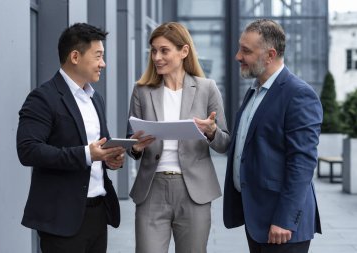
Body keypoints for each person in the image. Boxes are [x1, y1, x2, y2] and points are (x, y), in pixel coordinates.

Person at [17, 23, 125, 253]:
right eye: (98, 56)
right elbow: (28, 150)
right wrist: (87, 154)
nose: (103, 64)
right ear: (75, 56)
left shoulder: (96, 99)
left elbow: (99, 147)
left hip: (98, 213)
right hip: (60, 218)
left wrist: (110, 158)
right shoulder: (42, 98)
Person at [126, 22, 230, 253]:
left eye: (164, 50)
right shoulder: (141, 91)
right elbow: (130, 145)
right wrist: (136, 146)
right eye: (153, 50)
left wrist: (211, 132)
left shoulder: (207, 88)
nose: (157, 57)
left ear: (184, 51)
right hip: (151, 190)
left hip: (194, 191)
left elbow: (225, 144)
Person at [223, 19, 323, 253]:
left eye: (246, 50)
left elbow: (303, 162)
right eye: (240, 48)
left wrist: (285, 219)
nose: (238, 56)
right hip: (257, 217)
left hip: (282, 226)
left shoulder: (299, 94)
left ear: (270, 54)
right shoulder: (254, 92)